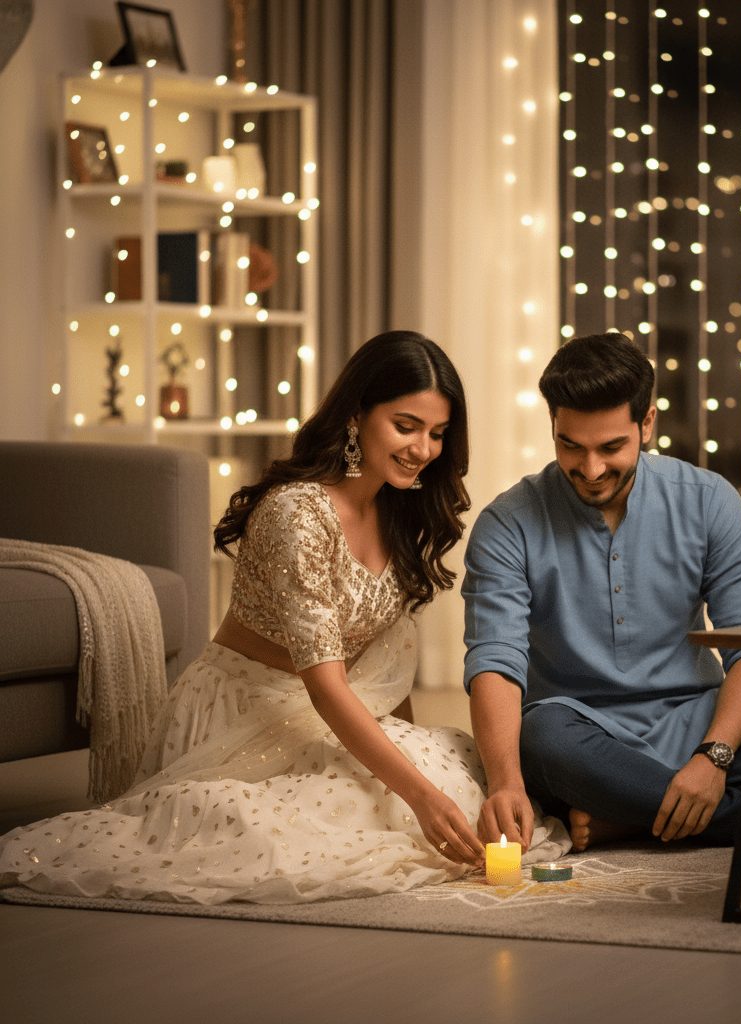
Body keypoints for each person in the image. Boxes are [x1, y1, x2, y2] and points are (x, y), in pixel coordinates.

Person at [0, 331, 568, 904]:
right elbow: (326, 686)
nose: (423, 449)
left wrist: (413, 753)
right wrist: (417, 795)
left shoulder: (398, 509)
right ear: (355, 416)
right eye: (406, 426)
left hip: (334, 710)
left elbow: (385, 660)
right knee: (330, 823)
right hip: (249, 714)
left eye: (437, 434)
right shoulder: (297, 513)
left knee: (460, 769)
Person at [463, 332, 741, 854]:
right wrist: (506, 783)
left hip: (698, 721)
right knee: (539, 735)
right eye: (571, 445)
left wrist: (714, 757)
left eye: (611, 447)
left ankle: (632, 816)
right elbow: (495, 663)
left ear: (647, 423)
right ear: (553, 427)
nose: (590, 469)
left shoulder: (708, 500)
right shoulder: (507, 523)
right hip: (582, 739)